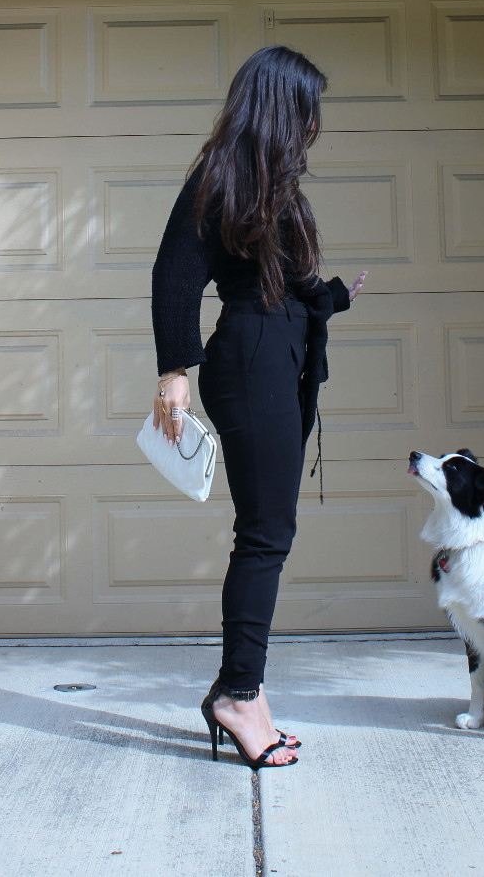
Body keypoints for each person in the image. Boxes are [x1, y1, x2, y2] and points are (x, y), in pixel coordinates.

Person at [150, 45, 366, 770]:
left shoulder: (276, 187)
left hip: (280, 357)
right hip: (249, 362)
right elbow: (174, 276)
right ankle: (238, 696)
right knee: (265, 534)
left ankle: (244, 691)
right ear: (279, 106)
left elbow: (292, 283)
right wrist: (174, 370)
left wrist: (333, 297)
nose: (315, 123)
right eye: (308, 108)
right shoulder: (218, 176)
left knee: (272, 528)